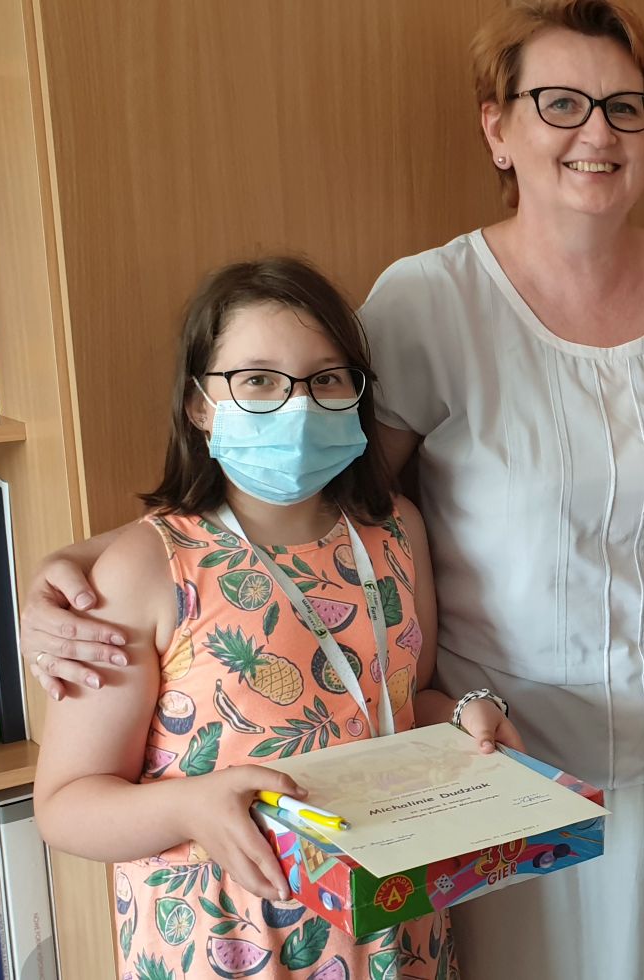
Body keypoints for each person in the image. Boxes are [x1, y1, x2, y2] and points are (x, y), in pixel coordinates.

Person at [16, 4, 644, 977]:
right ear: (497, 127)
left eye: (626, 105)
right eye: (560, 103)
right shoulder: (429, 301)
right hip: (515, 774)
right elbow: (312, 491)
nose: (597, 131)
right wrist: (91, 563)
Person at [32, 258, 516, 980]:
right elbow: (65, 805)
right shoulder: (143, 570)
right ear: (199, 404)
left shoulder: (397, 532)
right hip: (227, 943)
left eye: (326, 379)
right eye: (258, 379)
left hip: (396, 927)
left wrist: (465, 716)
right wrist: (190, 808)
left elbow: (402, 702)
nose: (298, 405)